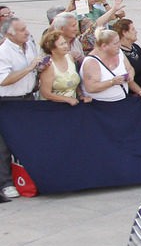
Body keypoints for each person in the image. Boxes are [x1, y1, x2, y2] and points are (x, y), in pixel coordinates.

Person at [0, 17, 41, 199]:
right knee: (4, 145)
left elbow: (33, 68)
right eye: (22, 29)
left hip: (28, 98)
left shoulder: (29, 45)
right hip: (9, 101)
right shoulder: (3, 52)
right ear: (10, 33)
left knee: (28, 140)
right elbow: (4, 80)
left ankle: (28, 177)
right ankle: (6, 182)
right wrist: (29, 68)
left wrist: (38, 69)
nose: (27, 32)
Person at [81, 29, 141, 102]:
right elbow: (91, 88)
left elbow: (129, 69)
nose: (119, 45)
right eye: (115, 43)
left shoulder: (119, 52)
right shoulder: (91, 62)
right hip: (101, 104)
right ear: (104, 46)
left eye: (119, 42)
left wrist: (140, 91)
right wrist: (112, 82)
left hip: (123, 99)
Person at [38, 30, 87, 105]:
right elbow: (45, 93)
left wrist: (80, 95)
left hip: (71, 104)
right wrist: (67, 99)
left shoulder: (70, 58)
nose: (66, 46)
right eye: (61, 44)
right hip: (52, 107)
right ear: (52, 49)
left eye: (65, 42)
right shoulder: (49, 65)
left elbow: (73, 81)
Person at [115, 18, 141, 92]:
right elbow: (127, 77)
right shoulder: (119, 53)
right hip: (133, 93)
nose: (136, 32)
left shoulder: (135, 47)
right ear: (124, 32)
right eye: (133, 29)